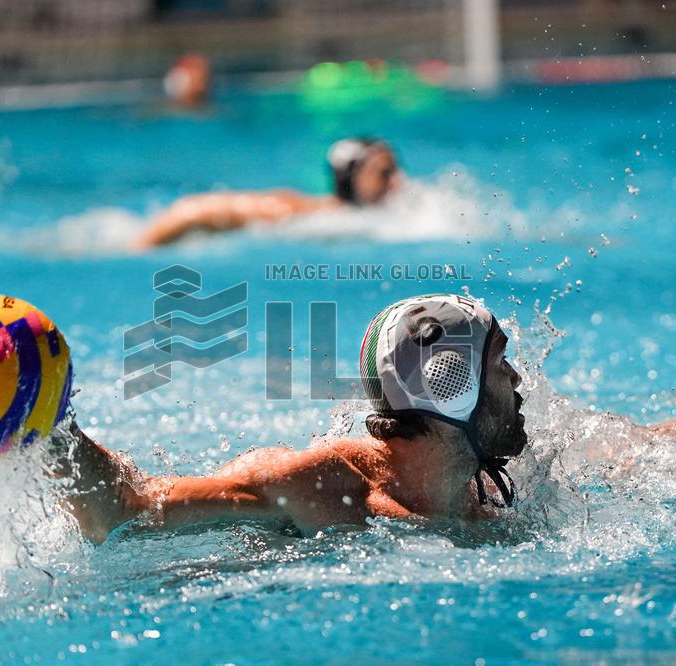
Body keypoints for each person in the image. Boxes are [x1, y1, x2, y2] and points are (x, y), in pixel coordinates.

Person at [59, 294, 526, 543]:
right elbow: (127, 508)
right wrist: (52, 427)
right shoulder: (318, 487)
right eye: (499, 362)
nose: (517, 377)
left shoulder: (495, 494)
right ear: (450, 384)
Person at [132, 138, 402, 249]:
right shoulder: (289, 211)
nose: (396, 181)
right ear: (351, 179)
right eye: (384, 173)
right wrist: (140, 248)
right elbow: (191, 210)